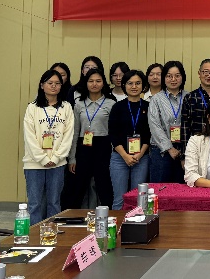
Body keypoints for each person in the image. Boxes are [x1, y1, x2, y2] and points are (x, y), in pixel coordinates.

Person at [22, 69, 74, 224]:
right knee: (35, 204)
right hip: (34, 163)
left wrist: (57, 158)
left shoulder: (66, 107)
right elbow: (29, 137)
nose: (53, 86)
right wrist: (43, 158)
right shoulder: (32, 108)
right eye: (50, 83)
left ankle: (52, 234)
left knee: (54, 203)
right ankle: (34, 235)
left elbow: (68, 136)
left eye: (57, 83)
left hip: (58, 163)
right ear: (42, 85)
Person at [63, 68, 116, 209]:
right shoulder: (79, 104)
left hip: (103, 147)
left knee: (104, 185)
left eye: (98, 81)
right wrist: (72, 158)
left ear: (103, 83)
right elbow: (75, 132)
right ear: (86, 83)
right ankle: (72, 216)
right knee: (77, 186)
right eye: (91, 81)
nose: (94, 84)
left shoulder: (111, 104)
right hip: (83, 147)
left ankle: (109, 216)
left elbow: (113, 132)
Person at [109, 70, 150, 210]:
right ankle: (117, 224)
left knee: (139, 199)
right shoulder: (117, 107)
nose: (134, 86)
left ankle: (138, 224)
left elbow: (149, 135)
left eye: (138, 83)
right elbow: (113, 134)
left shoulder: (148, 107)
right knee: (119, 199)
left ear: (143, 85)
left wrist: (140, 154)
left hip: (141, 158)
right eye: (130, 83)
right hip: (120, 157)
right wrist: (125, 156)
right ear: (124, 85)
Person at [148, 60, 187, 183]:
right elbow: (155, 126)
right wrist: (169, 148)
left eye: (177, 75)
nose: (173, 79)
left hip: (183, 150)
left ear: (182, 77)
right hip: (161, 151)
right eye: (169, 76)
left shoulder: (188, 97)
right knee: (160, 189)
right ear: (164, 78)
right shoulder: (156, 99)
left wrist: (184, 152)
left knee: (182, 189)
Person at [181, 59, 210, 146]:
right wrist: (185, 151)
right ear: (199, 73)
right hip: (196, 145)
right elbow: (185, 127)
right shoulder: (190, 97)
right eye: (206, 72)